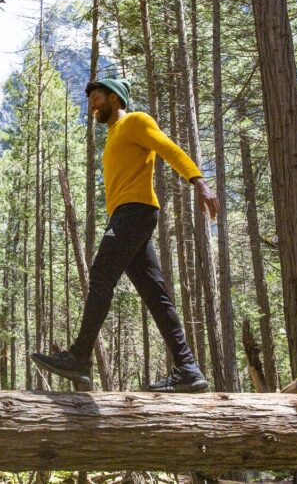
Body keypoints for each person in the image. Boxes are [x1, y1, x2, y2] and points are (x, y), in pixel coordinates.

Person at [31, 77, 219, 392]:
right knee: (156, 296)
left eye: (98, 98)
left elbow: (167, 148)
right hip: (130, 216)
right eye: (90, 100)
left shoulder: (135, 122)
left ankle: (79, 357)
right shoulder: (114, 135)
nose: (92, 105)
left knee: (102, 275)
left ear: (115, 98)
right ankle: (187, 368)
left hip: (135, 212)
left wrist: (197, 180)